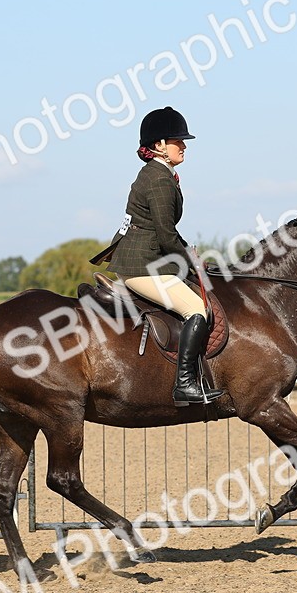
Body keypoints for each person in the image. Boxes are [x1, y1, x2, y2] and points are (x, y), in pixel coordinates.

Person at [100, 106, 223, 406]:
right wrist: (190, 264)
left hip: (145, 259)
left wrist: (189, 253)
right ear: (159, 146)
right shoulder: (158, 178)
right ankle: (184, 385)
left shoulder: (159, 174)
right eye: (177, 141)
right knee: (196, 309)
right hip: (141, 266)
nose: (183, 146)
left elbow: (165, 231)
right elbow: (166, 236)